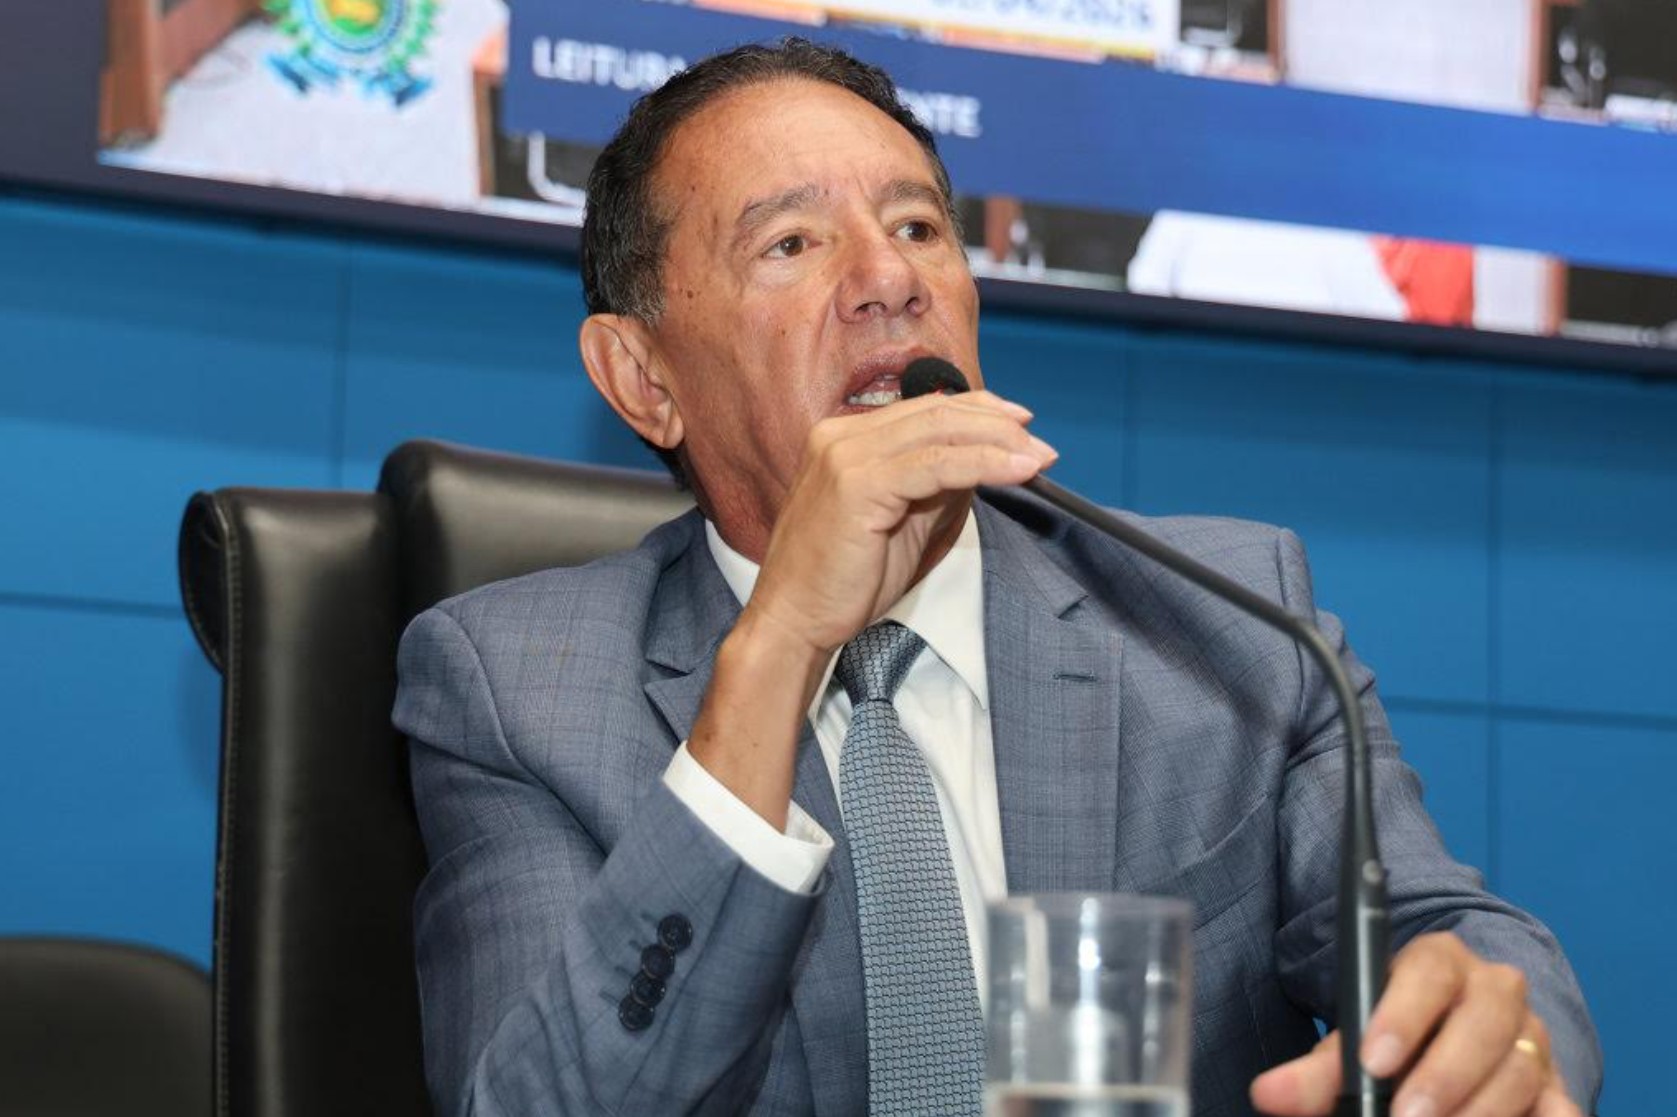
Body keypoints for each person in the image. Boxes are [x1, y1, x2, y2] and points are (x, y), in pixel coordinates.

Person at [394, 38, 1601, 1117]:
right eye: (792, 242)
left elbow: (1450, 934)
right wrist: (778, 647)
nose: (889, 278)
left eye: (919, 228)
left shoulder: (1218, 620)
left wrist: (1493, 1032)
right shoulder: (516, 692)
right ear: (643, 377)